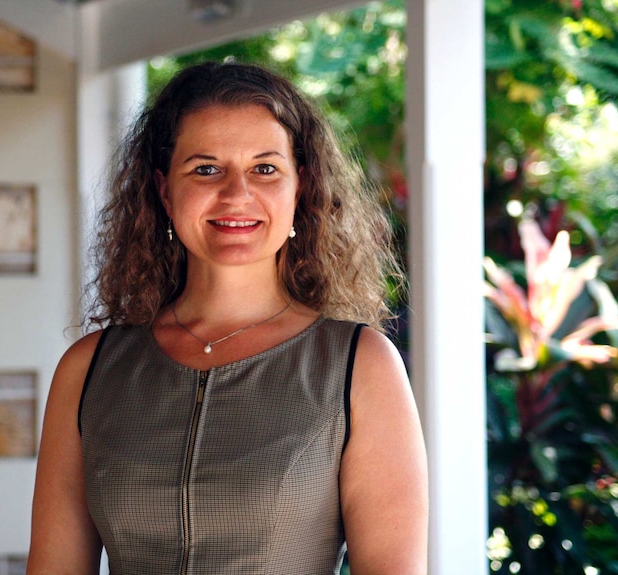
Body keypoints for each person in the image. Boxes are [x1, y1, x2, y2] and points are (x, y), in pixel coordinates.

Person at [27, 61, 428, 574]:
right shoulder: (90, 370)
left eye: (265, 168)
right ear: (165, 191)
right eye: (206, 168)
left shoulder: (359, 366)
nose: (237, 194)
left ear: (300, 187)